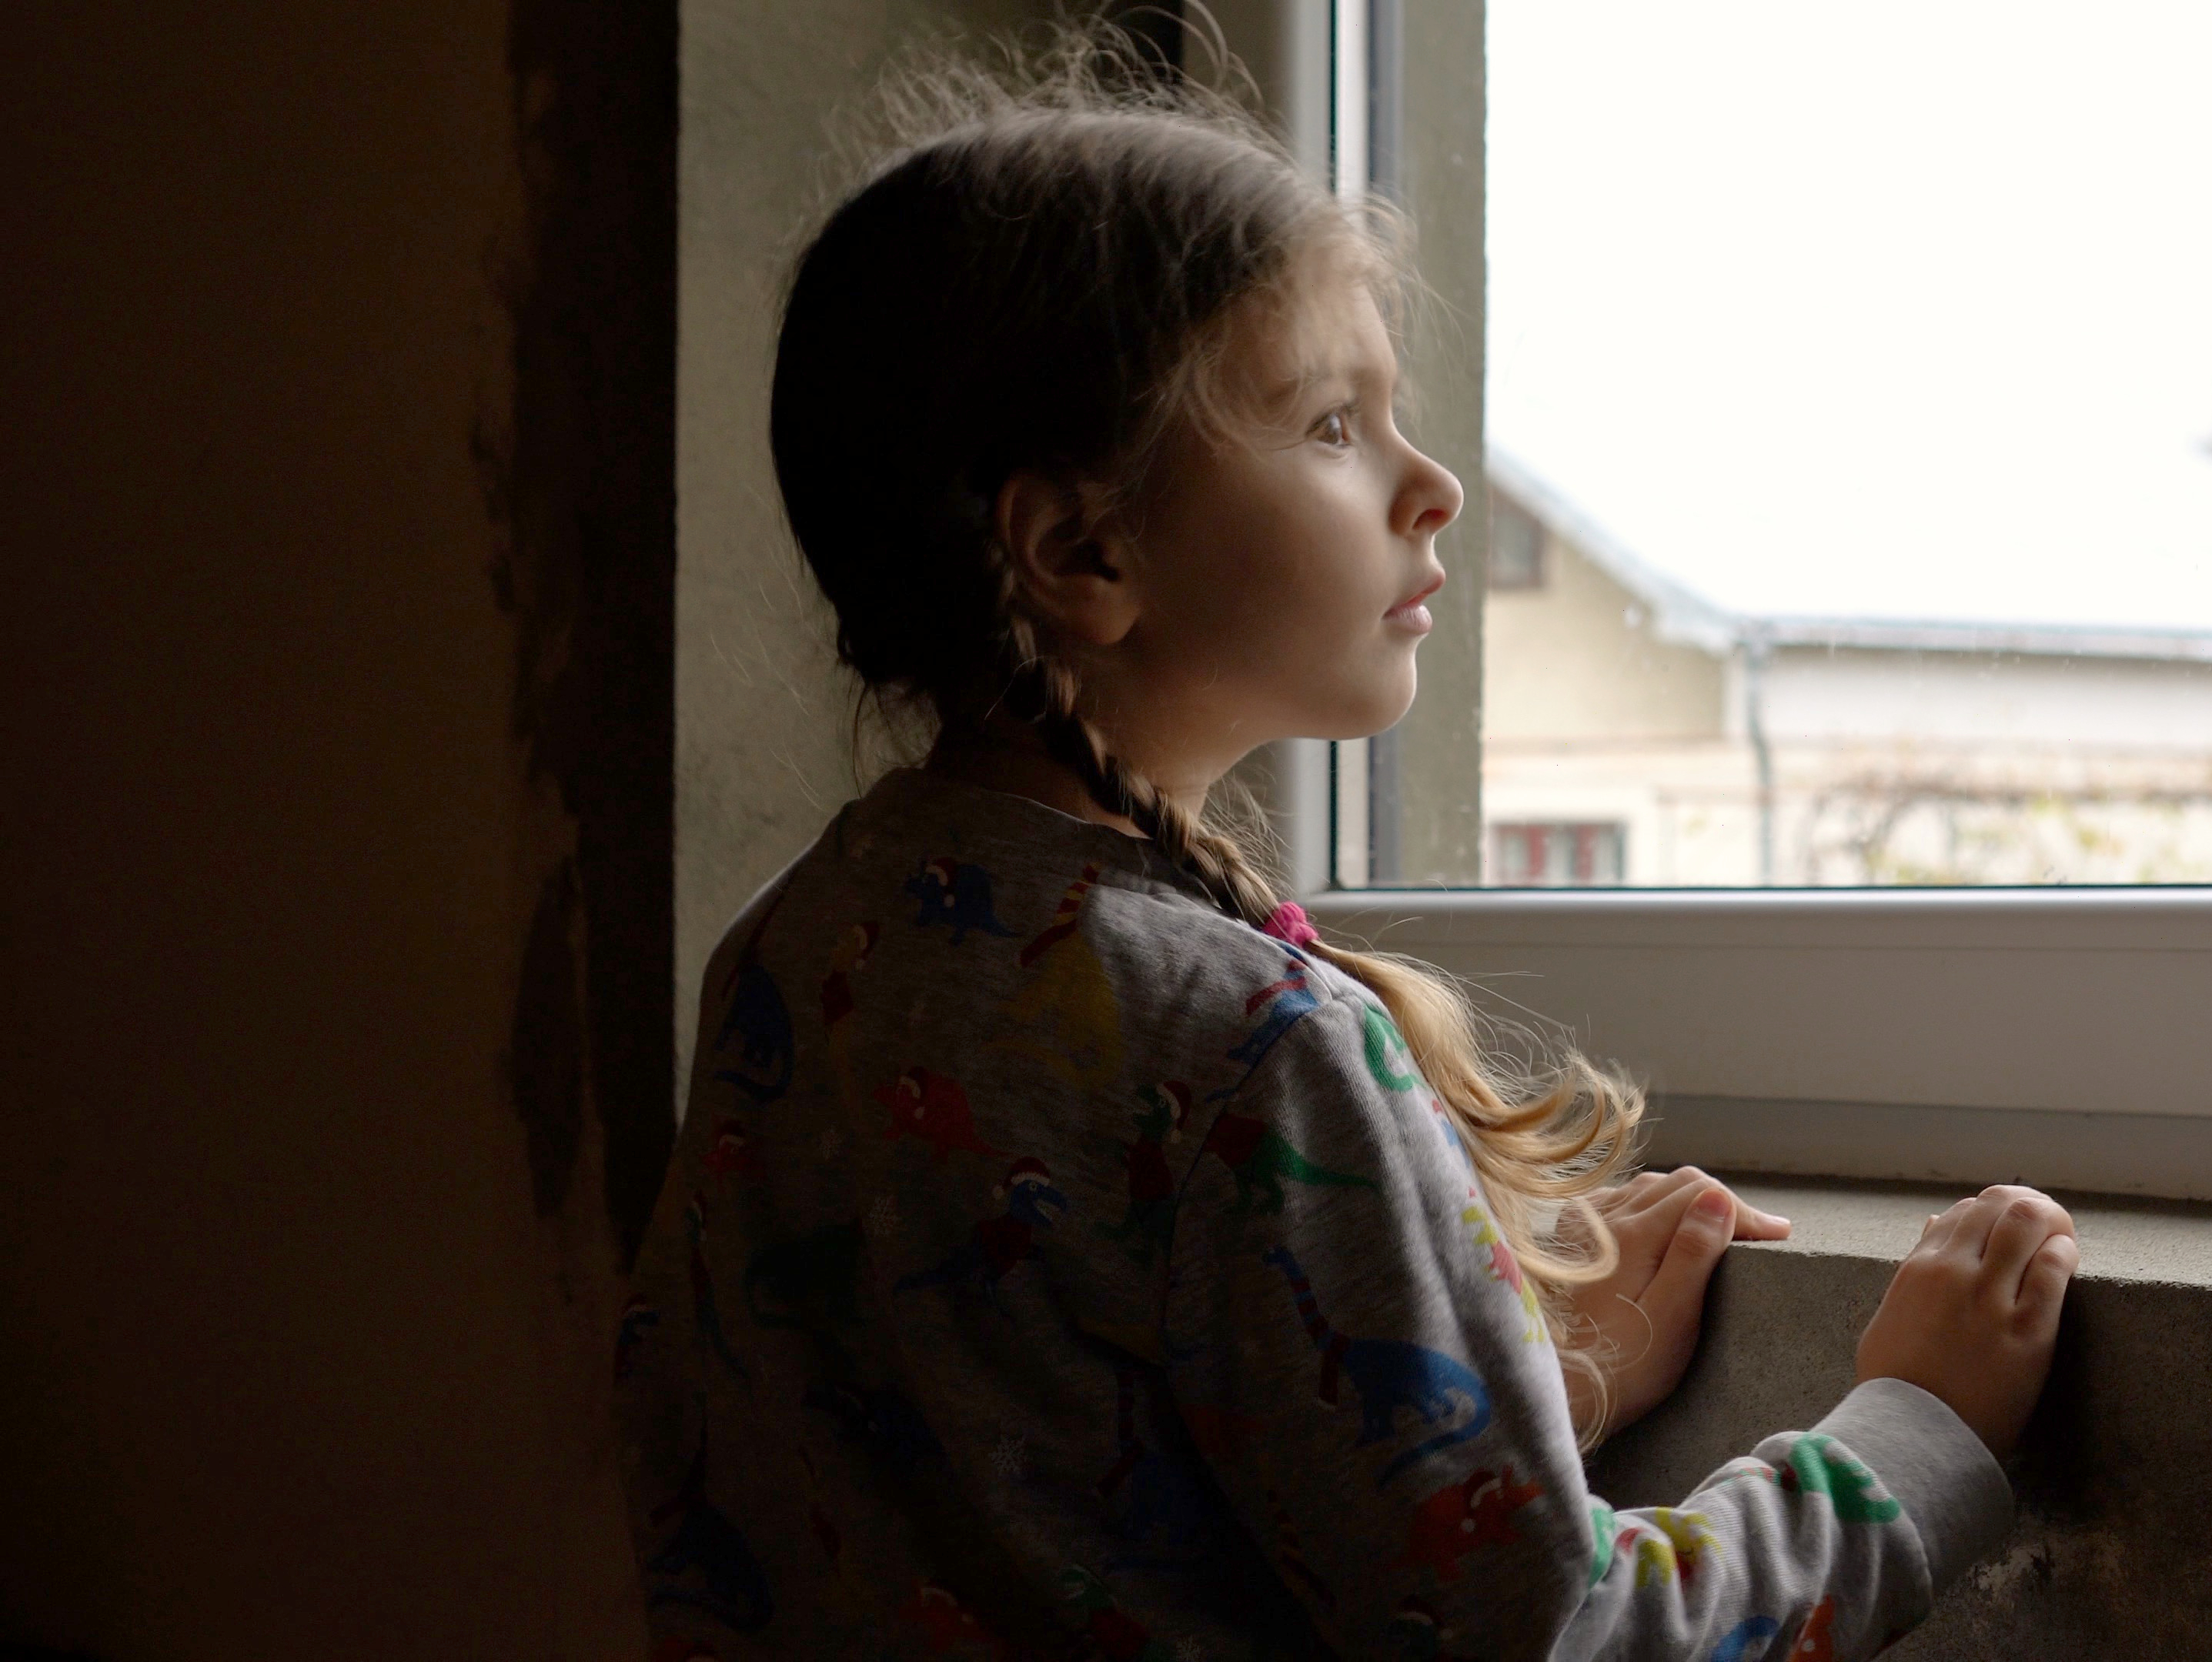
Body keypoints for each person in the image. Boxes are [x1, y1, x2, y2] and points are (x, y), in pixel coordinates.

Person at [618, 30, 2079, 1660]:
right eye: (1333, 423)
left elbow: (1051, 1505)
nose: (1434, 486)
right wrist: (1916, 1431)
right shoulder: (1255, 1049)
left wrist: (1514, 1394)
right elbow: (1559, 1645)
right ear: (1083, 548)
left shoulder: (790, 954)